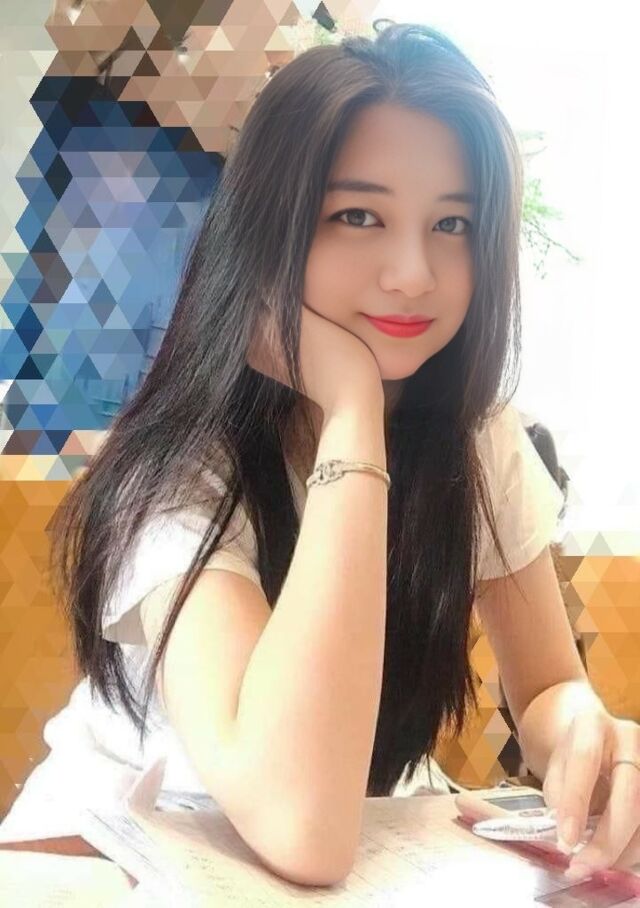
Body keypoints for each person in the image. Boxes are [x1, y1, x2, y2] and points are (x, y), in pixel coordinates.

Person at [1, 21, 638, 888]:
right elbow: (298, 821)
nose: (413, 272)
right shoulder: (181, 470)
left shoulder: (475, 434)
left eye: (453, 223)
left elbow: (546, 689)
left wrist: (586, 738)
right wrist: (351, 408)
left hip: (371, 861)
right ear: (268, 233)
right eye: (358, 216)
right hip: (115, 862)